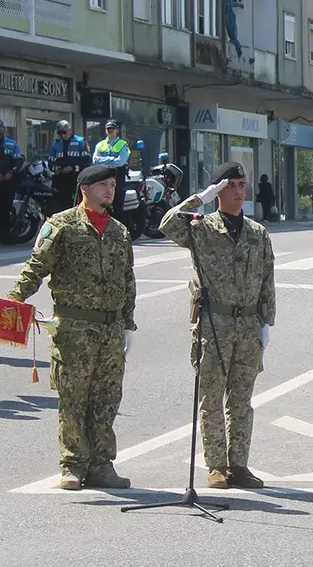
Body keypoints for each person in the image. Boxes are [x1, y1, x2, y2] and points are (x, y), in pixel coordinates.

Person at [8, 164, 137, 490]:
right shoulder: (61, 225)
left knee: (107, 399)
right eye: (103, 185)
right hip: (75, 329)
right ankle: (73, 465)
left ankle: (102, 464)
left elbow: (128, 280)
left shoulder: (120, 231)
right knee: (74, 399)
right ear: (85, 189)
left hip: (110, 330)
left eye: (112, 185)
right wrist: (13, 301)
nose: (110, 190)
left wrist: (128, 323)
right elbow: (36, 267)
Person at [159, 162, 276, 490]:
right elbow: (167, 224)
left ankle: (239, 464)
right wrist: (200, 198)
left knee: (242, 397)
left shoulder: (257, 232)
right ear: (218, 191)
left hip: (249, 324)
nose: (239, 191)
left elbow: (268, 278)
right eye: (231, 186)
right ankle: (216, 465)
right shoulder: (201, 227)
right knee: (211, 396)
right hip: (214, 323)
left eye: (241, 184)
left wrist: (267, 321)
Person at [46, 121, 92, 213]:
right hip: (61, 179)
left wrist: (73, 167)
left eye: (64, 132)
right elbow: (51, 161)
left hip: (76, 177)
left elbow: (87, 161)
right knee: (61, 205)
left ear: (70, 130)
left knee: (79, 203)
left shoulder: (80, 141)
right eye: (60, 133)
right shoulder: (56, 144)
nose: (62, 135)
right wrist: (56, 168)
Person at [0, 124, 24, 238]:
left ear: (3, 129)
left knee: (5, 208)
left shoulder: (11, 143)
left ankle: (5, 235)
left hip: (7, 182)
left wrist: (11, 172)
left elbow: (18, 161)